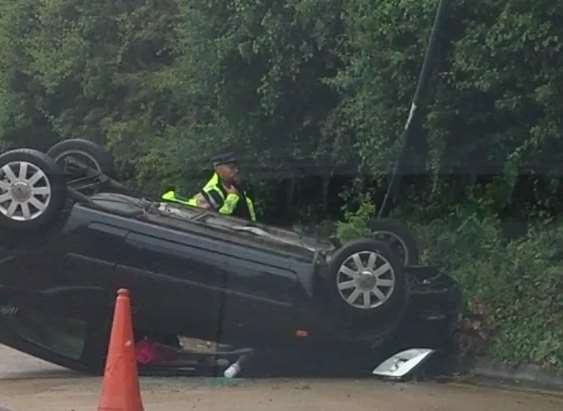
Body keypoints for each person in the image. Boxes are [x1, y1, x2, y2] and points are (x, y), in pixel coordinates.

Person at [162, 150, 257, 222]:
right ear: (217, 168)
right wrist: (232, 199)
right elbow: (217, 223)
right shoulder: (211, 195)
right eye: (231, 167)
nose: (236, 170)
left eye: (237, 167)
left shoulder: (238, 189)